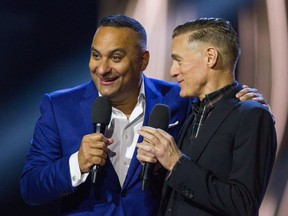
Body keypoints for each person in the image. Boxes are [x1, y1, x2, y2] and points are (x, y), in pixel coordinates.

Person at [20, 14, 270, 216]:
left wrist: (249, 99)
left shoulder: (178, 100)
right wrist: (76, 163)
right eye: (96, 55)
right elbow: (31, 187)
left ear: (143, 60)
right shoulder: (59, 106)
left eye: (116, 57)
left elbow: (218, 100)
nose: (102, 68)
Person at [136, 18, 277, 216]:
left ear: (210, 57)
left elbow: (243, 204)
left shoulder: (253, 115)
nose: (172, 71)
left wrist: (176, 164)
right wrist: (160, 168)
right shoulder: (194, 111)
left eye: (178, 60)